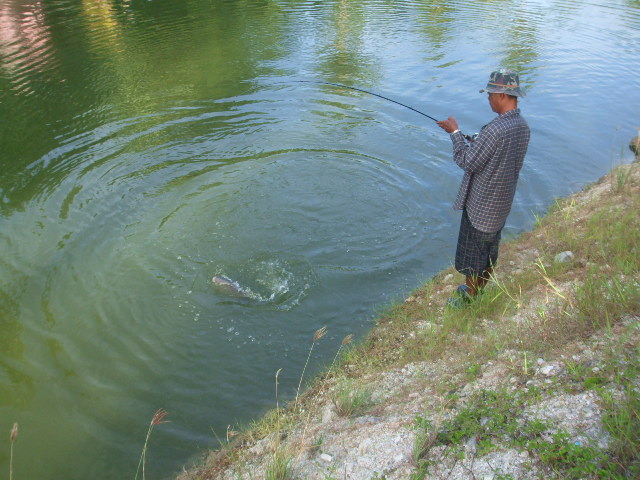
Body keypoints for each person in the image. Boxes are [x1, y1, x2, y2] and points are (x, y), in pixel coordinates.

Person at [436, 69, 530, 305]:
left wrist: (455, 133)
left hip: (481, 206)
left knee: (472, 259)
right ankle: (477, 292)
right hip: (500, 206)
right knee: (488, 255)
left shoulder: (496, 130)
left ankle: (469, 300)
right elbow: (499, 157)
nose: (488, 99)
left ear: (501, 95)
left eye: (490, 94)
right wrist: (476, 142)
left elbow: (466, 161)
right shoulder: (521, 126)